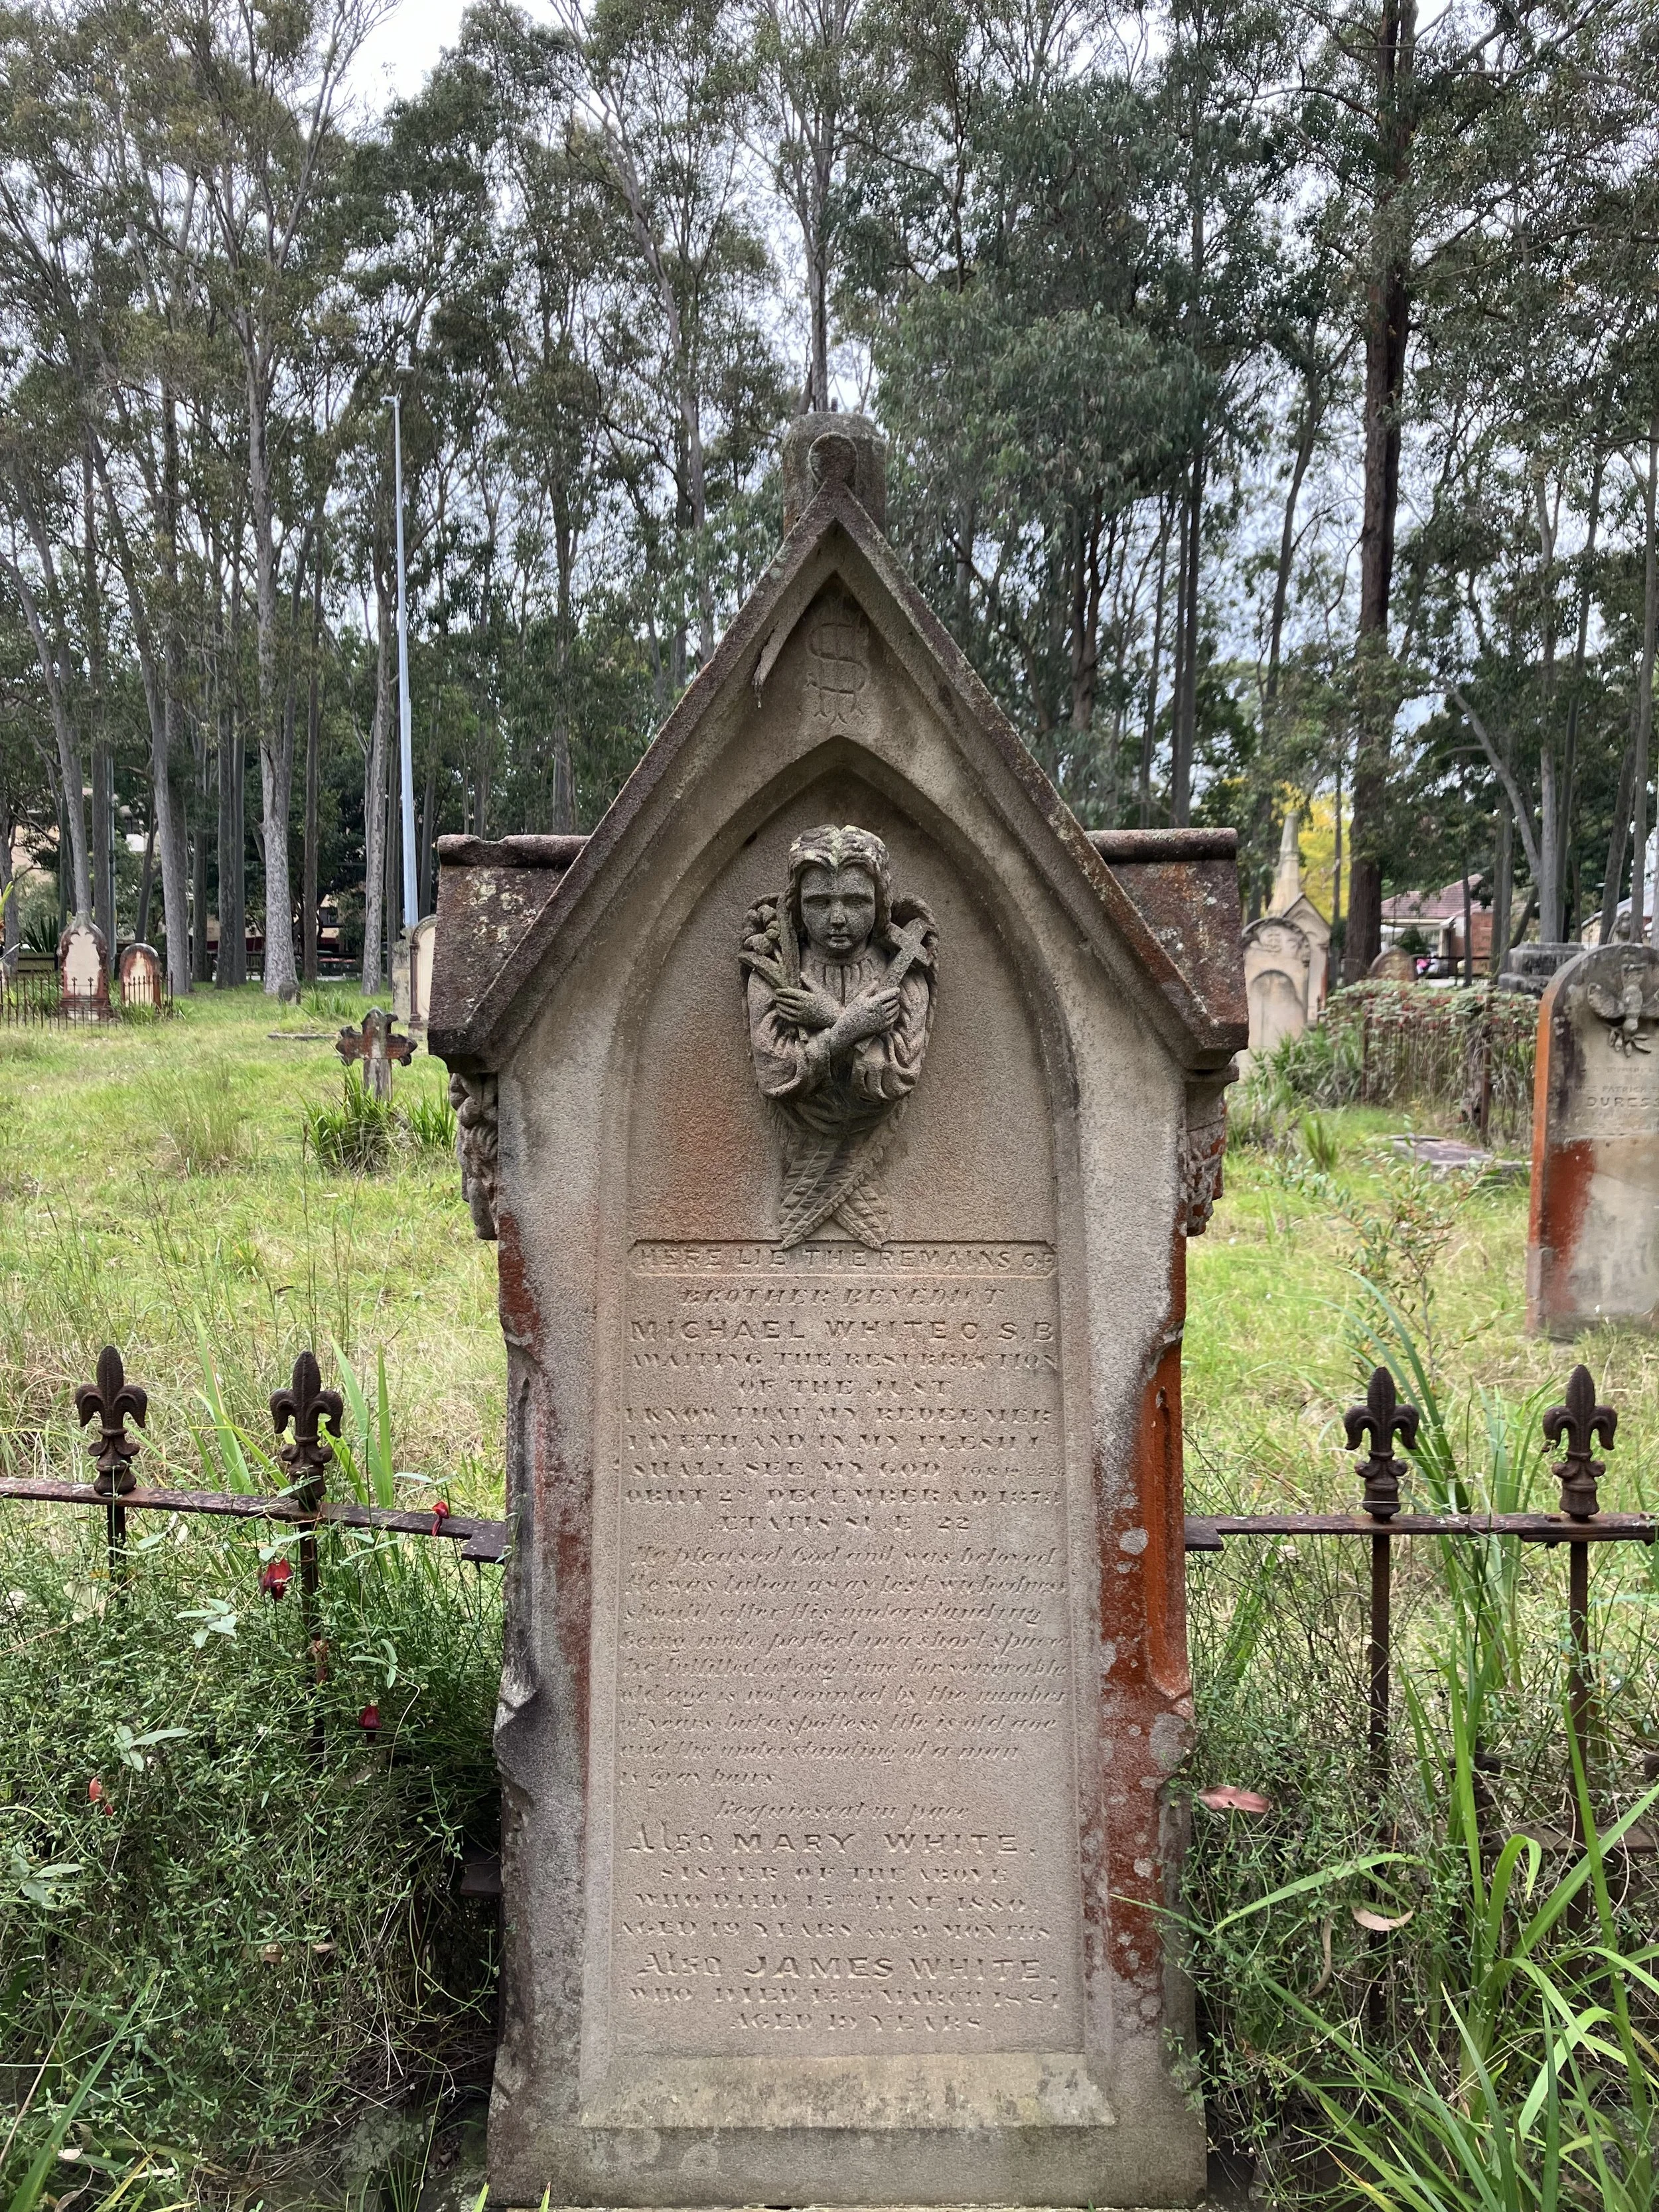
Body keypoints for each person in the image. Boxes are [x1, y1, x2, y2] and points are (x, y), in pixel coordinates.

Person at [741, 824, 937, 1246]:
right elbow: (777, 1072)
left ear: (880, 904)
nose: (837, 919)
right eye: (819, 902)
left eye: (855, 901)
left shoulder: (906, 979)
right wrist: (854, 1027)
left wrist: (828, 1020)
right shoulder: (774, 975)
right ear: (795, 906)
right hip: (807, 1122)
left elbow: (894, 1075)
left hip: (863, 1121)